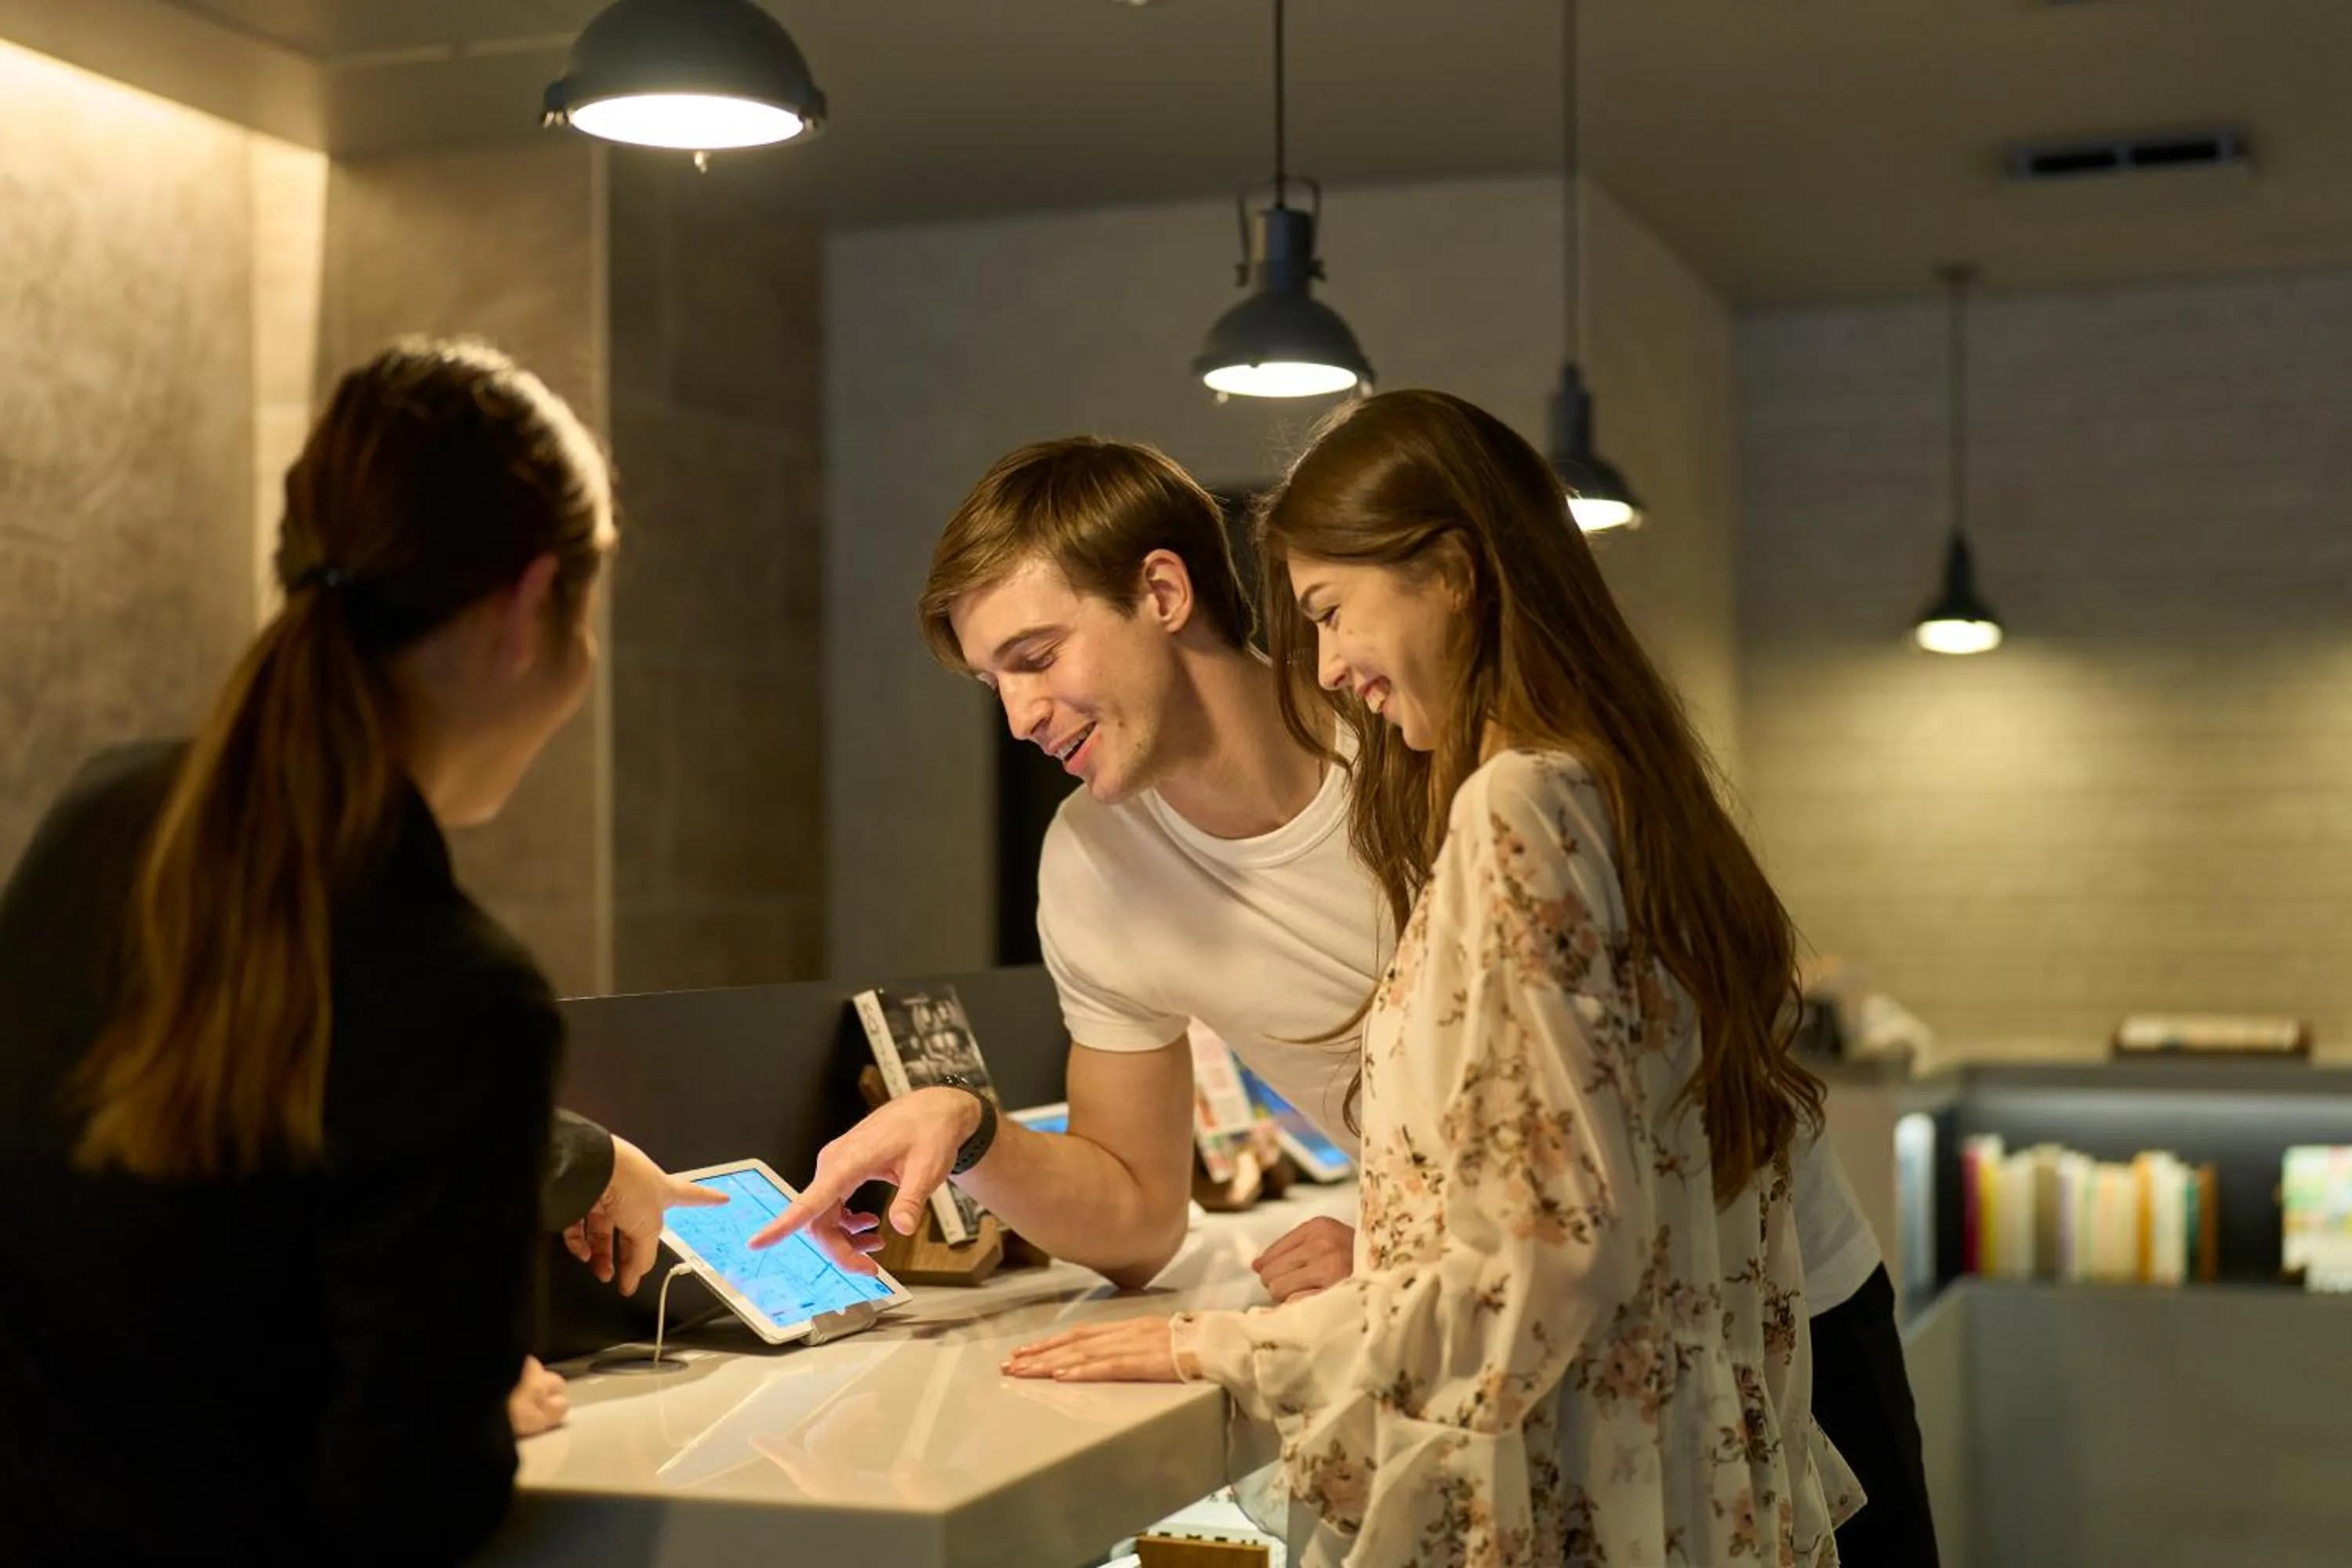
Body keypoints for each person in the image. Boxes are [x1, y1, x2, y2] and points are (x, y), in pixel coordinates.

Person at [756, 428, 1934, 1562]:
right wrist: (970, 1130)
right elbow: (1132, 1215)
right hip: (1517, 1322)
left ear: (1163, 593)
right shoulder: (1091, 861)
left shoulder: (1436, 743)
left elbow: (1606, 1143)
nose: (1018, 716)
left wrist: (1375, 1262)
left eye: (1037, 656)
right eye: (992, 681)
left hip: (1760, 1292)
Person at [0, 338, 710, 1566]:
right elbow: (404, 1506)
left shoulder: (101, 819)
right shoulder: (463, 990)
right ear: (532, 609)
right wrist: (469, 1414)